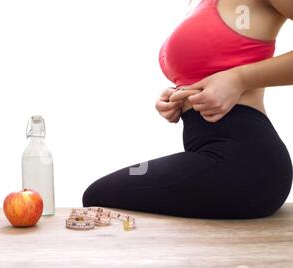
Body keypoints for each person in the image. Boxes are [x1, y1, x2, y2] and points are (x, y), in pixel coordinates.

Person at [82, 0, 293, 219]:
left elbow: (231, 75)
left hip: (247, 163)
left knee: (99, 196)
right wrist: (180, 96)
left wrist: (238, 79)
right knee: (103, 195)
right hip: (215, 156)